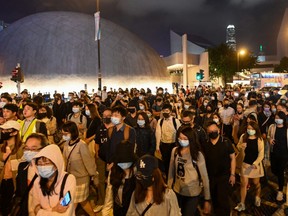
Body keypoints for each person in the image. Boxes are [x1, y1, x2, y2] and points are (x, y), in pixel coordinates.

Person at [168, 127, 211, 216]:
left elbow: (205, 177)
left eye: (185, 139)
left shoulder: (197, 155)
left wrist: (207, 199)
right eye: (180, 138)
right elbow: (171, 172)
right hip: (177, 190)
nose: (182, 140)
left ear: (191, 139)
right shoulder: (175, 151)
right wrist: (169, 188)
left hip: (192, 193)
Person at [62, 121, 99, 216]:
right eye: (63, 133)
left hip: (81, 179)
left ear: (72, 132)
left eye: (66, 133)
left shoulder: (81, 145)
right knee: (80, 201)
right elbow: (64, 160)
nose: (64, 136)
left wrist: (94, 175)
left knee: (73, 202)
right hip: (70, 179)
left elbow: (89, 162)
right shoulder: (66, 144)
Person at [30, 144, 76, 216]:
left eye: (47, 163)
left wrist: (40, 212)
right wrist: (54, 210)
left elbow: (66, 214)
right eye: (39, 164)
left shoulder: (69, 179)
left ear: (56, 164)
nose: (42, 167)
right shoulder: (37, 181)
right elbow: (34, 209)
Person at [203, 121, 236, 216]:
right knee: (214, 199)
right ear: (207, 132)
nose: (213, 132)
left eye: (215, 130)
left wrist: (232, 174)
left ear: (218, 130)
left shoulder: (226, 142)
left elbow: (232, 158)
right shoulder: (205, 143)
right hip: (211, 176)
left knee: (223, 199)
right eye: (210, 131)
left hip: (224, 176)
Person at [15, 133, 49, 216]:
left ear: (43, 149)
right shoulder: (22, 167)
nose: (29, 152)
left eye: (33, 149)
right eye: (26, 148)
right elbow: (19, 192)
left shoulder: (48, 171)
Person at [234, 121, 264, 211]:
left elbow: (261, 154)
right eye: (248, 129)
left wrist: (255, 163)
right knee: (244, 184)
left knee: (256, 183)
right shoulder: (243, 137)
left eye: (252, 129)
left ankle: (257, 196)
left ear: (256, 129)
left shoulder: (259, 139)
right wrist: (241, 146)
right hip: (245, 165)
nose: (250, 130)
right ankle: (242, 203)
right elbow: (238, 146)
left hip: (254, 165)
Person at [102, 140, 137, 216]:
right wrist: (105, 213)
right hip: (118, 211)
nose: (124, 165)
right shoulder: (114, 171)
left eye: (126, 162)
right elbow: (109, 195)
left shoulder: (136, 172)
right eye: (121, 162)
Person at [0, 120, 22, 215]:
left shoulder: (22, 148)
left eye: (7, 130)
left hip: (13, 182)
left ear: (15, 132)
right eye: (2, 130)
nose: (3, 132)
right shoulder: (1, 147)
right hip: (2, 180)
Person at [155, 103, 181, 178]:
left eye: (167, 110)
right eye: (163, 110)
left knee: (174, 163)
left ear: (170, 111)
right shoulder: (160, 121)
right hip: (164, 145)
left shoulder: (176, 121)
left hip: (173, 145)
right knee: (166, 163)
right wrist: (157, 146)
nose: (165, 112)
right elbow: (158, 133)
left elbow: (179, 133)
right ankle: (167, 177)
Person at [268, 111, 288, 201]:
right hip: (273, 153)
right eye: (276, 118)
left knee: (280, 172)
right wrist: (270, 139)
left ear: (283, 119)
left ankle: (280, 191)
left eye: (279, 118)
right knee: (273, 170)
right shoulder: (272, 127)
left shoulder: (287, 129)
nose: (277, 119)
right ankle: (280, 176)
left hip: (284, 154)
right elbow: (268, 136)